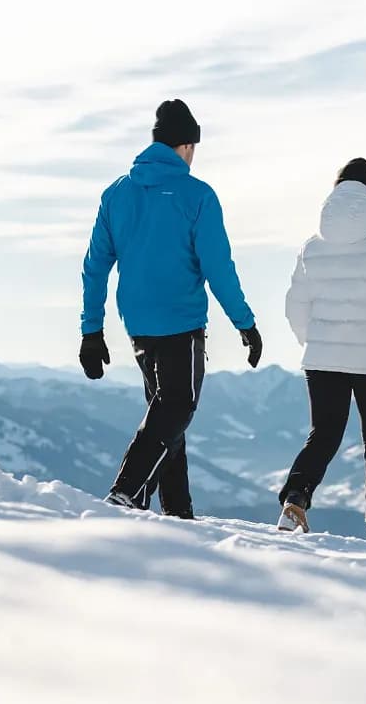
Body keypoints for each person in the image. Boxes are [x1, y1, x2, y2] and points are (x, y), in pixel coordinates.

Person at [78, 99, 263, 519]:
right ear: (186, 146)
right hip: (181, 322)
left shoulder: (116, 194)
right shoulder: (196, 195)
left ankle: (178, 514)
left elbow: (95, 267)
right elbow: (218, 268)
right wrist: (245, 323)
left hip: (138, 324)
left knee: (167, 417)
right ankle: (127, 492)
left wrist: (92, 331)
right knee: (176, 407)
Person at [276, 157, 366, 543]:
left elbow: (295, 305)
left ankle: (295, 500)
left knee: (323, 434)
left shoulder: (312, 246)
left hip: (322, 359)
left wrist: (317, 340)